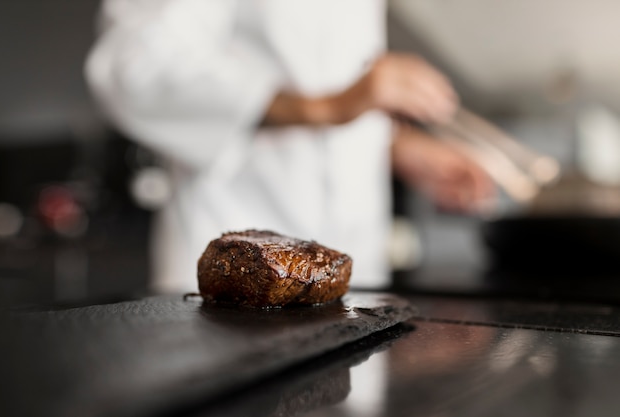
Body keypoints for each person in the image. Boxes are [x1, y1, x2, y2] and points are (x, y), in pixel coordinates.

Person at [85, 0, 494, 293]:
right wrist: (327, 106)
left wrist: (398, 145)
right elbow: (137, 70)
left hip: (359, 268)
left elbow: (340, 94)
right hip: (234, 262)